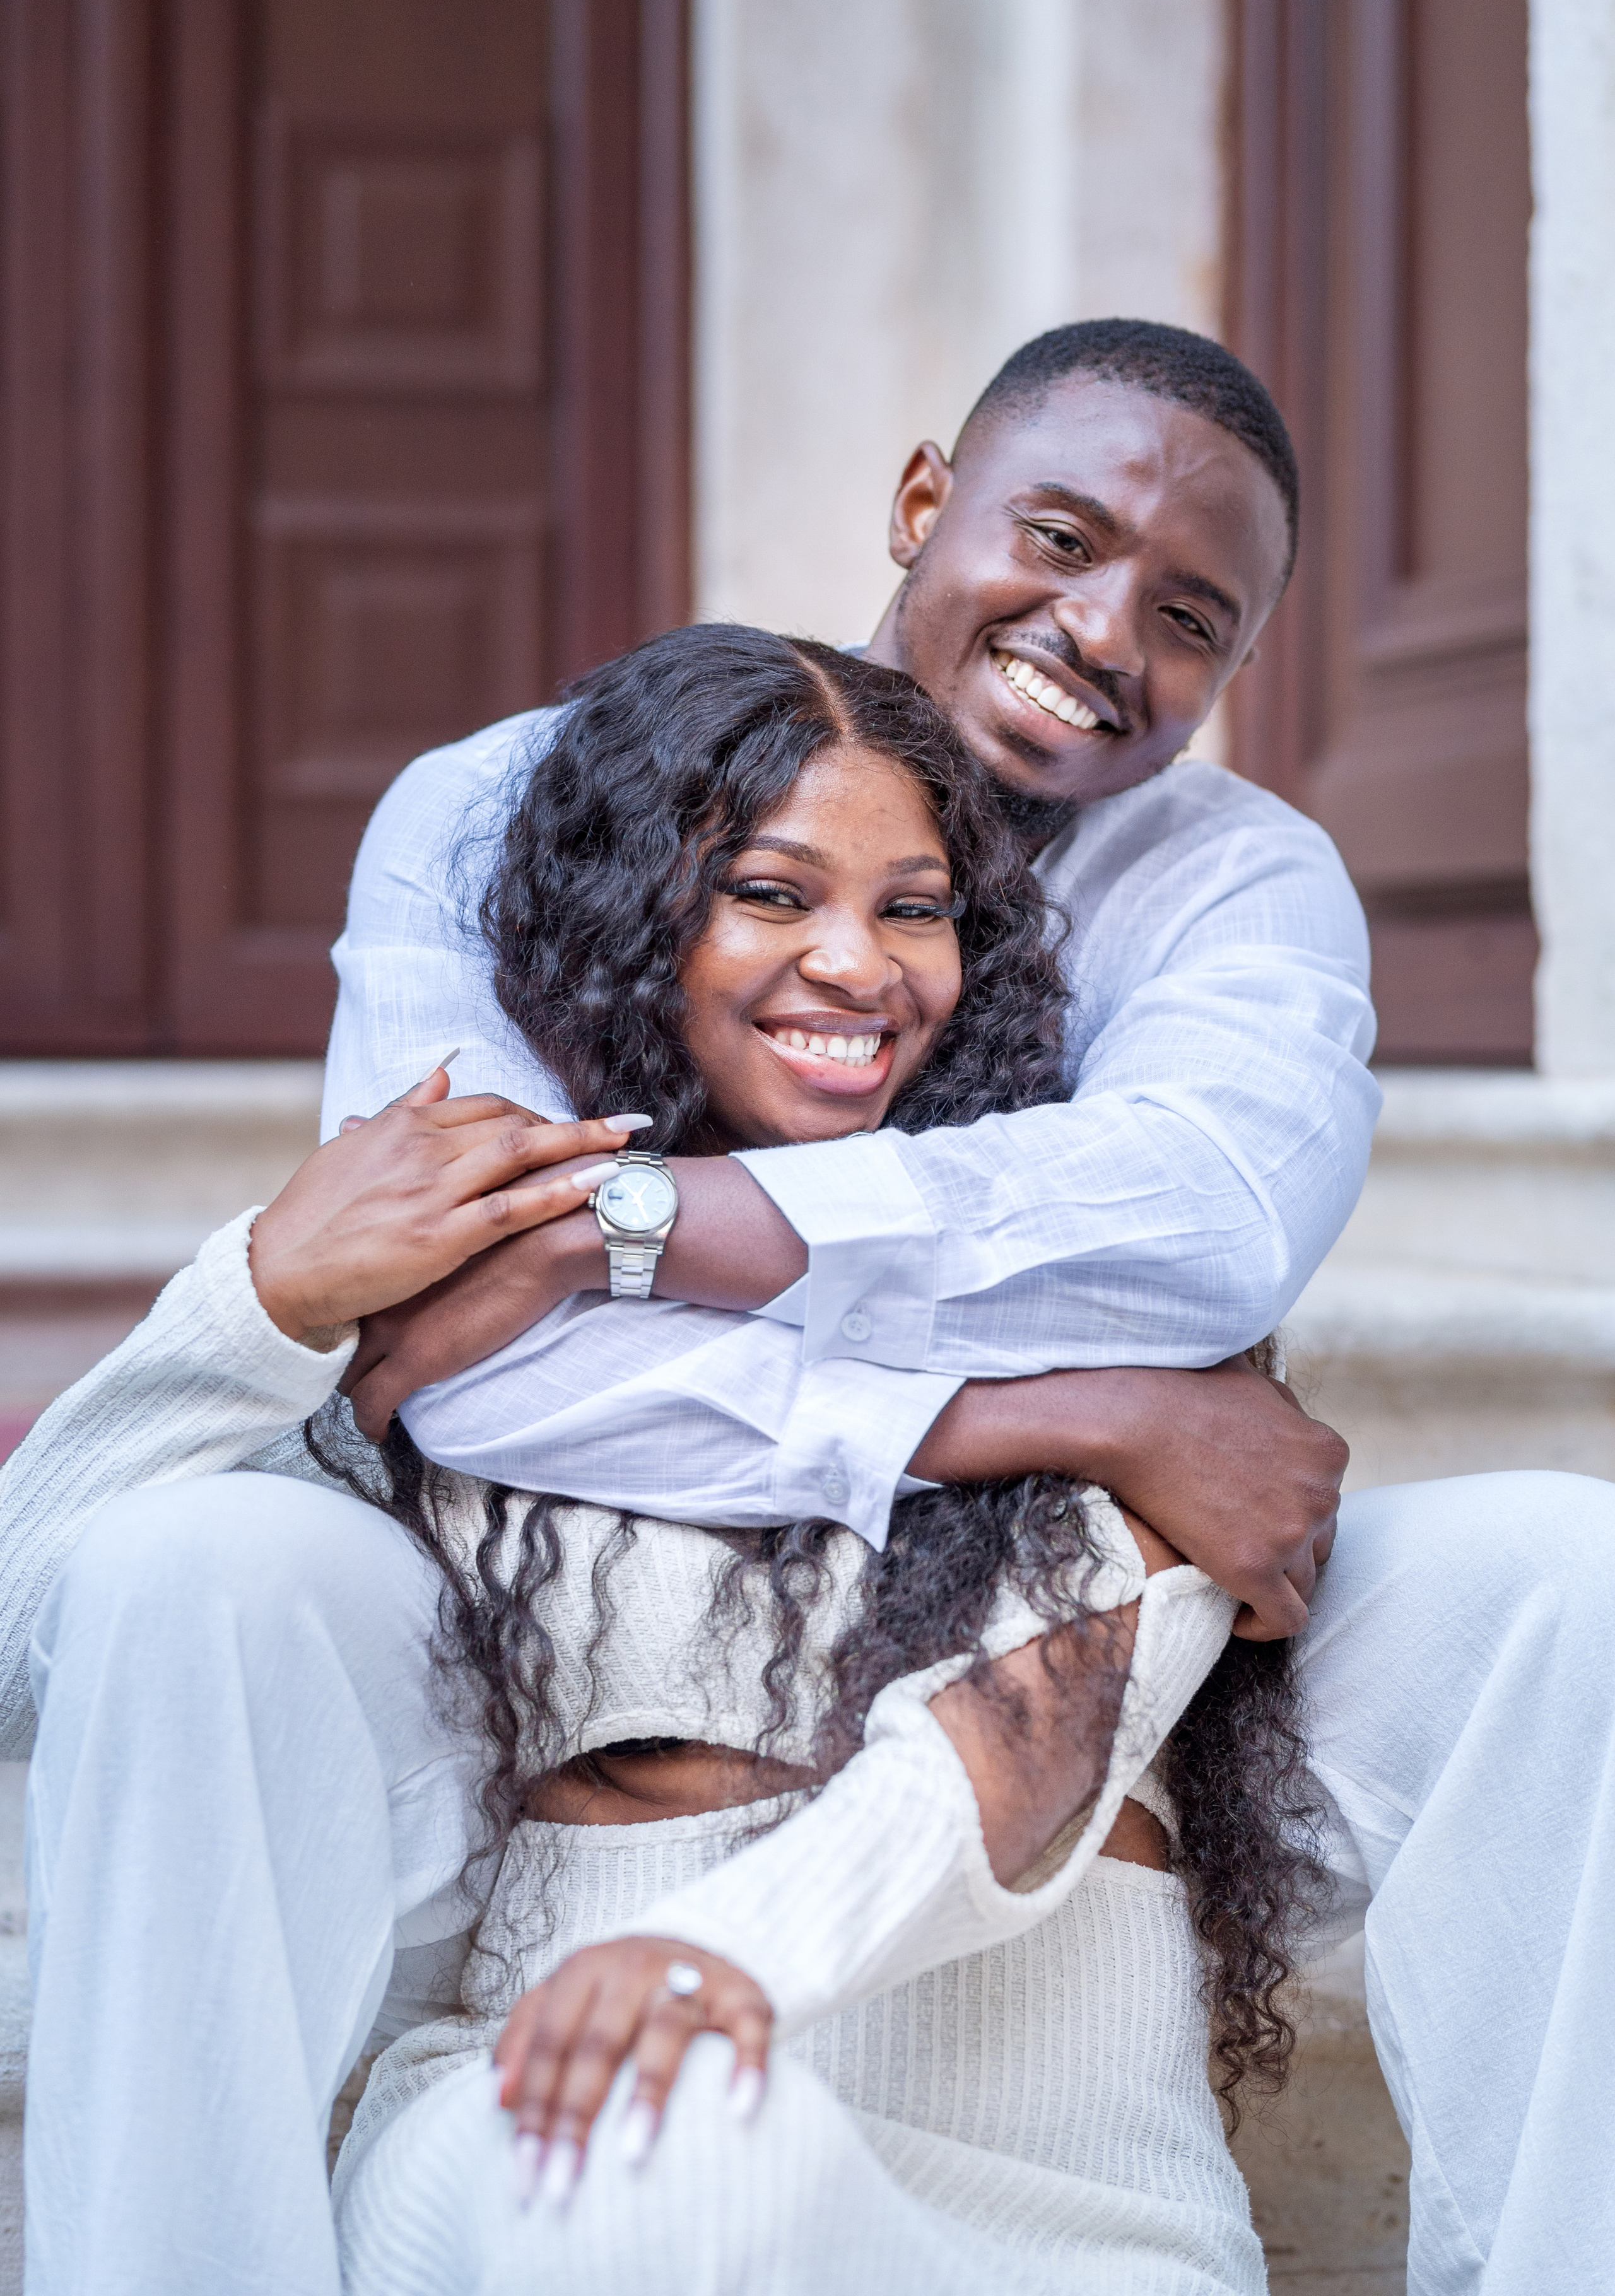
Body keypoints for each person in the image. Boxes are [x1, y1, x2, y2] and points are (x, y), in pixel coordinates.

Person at [318, 322, 1615, 2295]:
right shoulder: (518, 806)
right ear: (926, 501)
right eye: (1062, 537)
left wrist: (640, 1223)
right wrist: (1060, 1405)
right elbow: (461, 1355)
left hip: (1028, 1973)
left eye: (1188, 614)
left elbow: (1198, 1243)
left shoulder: (1230, 888)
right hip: (594, 1768)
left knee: (1566, 1587)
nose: (1104, 634)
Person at [6, 636, 1323, 2294]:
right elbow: (48, 1615)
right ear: (639, 921)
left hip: (1046, 2203)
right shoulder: (498, 1330)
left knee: (703, 2122)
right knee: (675, 2144)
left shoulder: (1073, 1283)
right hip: (570, 2138)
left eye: (913, 909)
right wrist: (260, 1294)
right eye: (774, 893)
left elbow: (1026, 1744)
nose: (859, 966)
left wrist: (714, 1964)